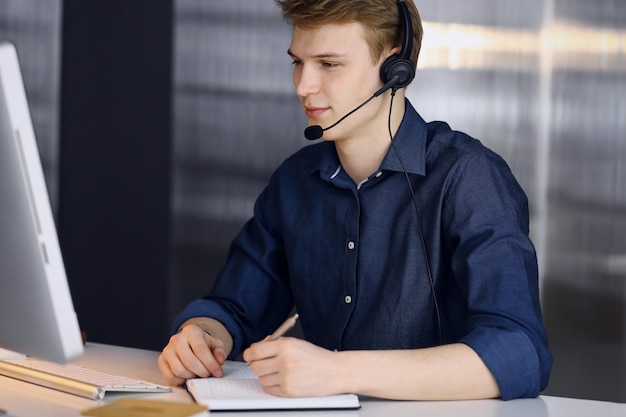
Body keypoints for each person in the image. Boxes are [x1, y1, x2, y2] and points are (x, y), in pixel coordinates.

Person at [158, 0, 552, 401]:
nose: (302, 86)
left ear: (394, 69)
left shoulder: (469, 176)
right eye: (298, 62)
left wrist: (340, 372)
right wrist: (201, 336)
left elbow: (520, 352)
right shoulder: (296, 180)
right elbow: (236, 307)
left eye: (329, 64)